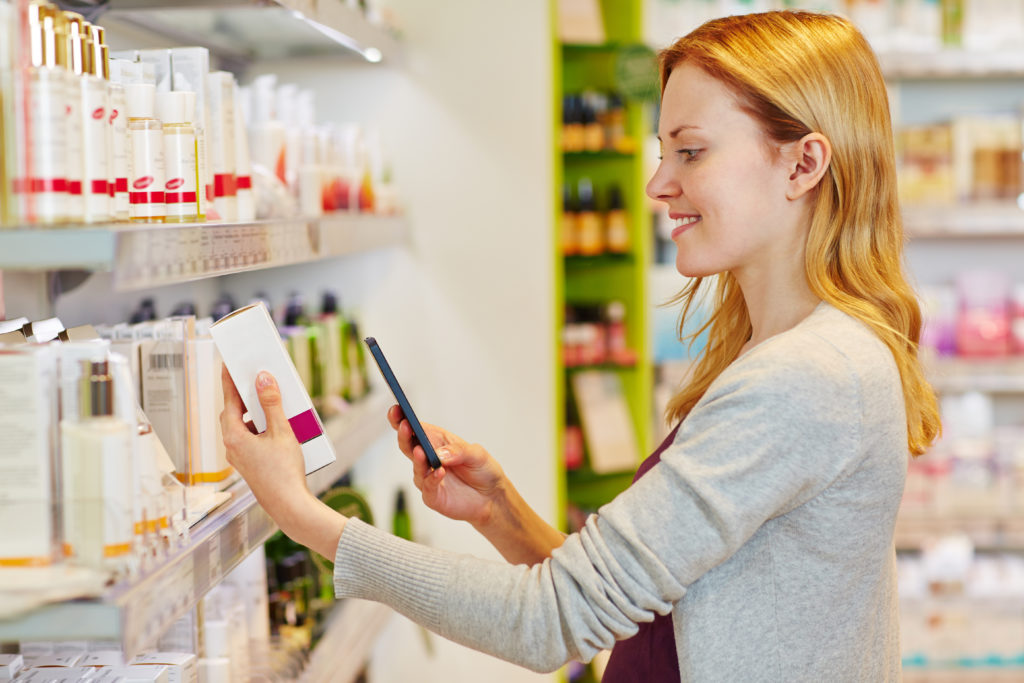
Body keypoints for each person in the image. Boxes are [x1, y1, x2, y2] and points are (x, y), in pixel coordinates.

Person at [220, 10, 940, 682]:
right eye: (664, 153)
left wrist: (300, 512)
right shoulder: (799, 352)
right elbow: (627, 599)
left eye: (691, 151)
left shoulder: (805, 376)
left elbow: (548, 622)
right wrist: (499, 513)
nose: (660, 183)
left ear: (802, 165)